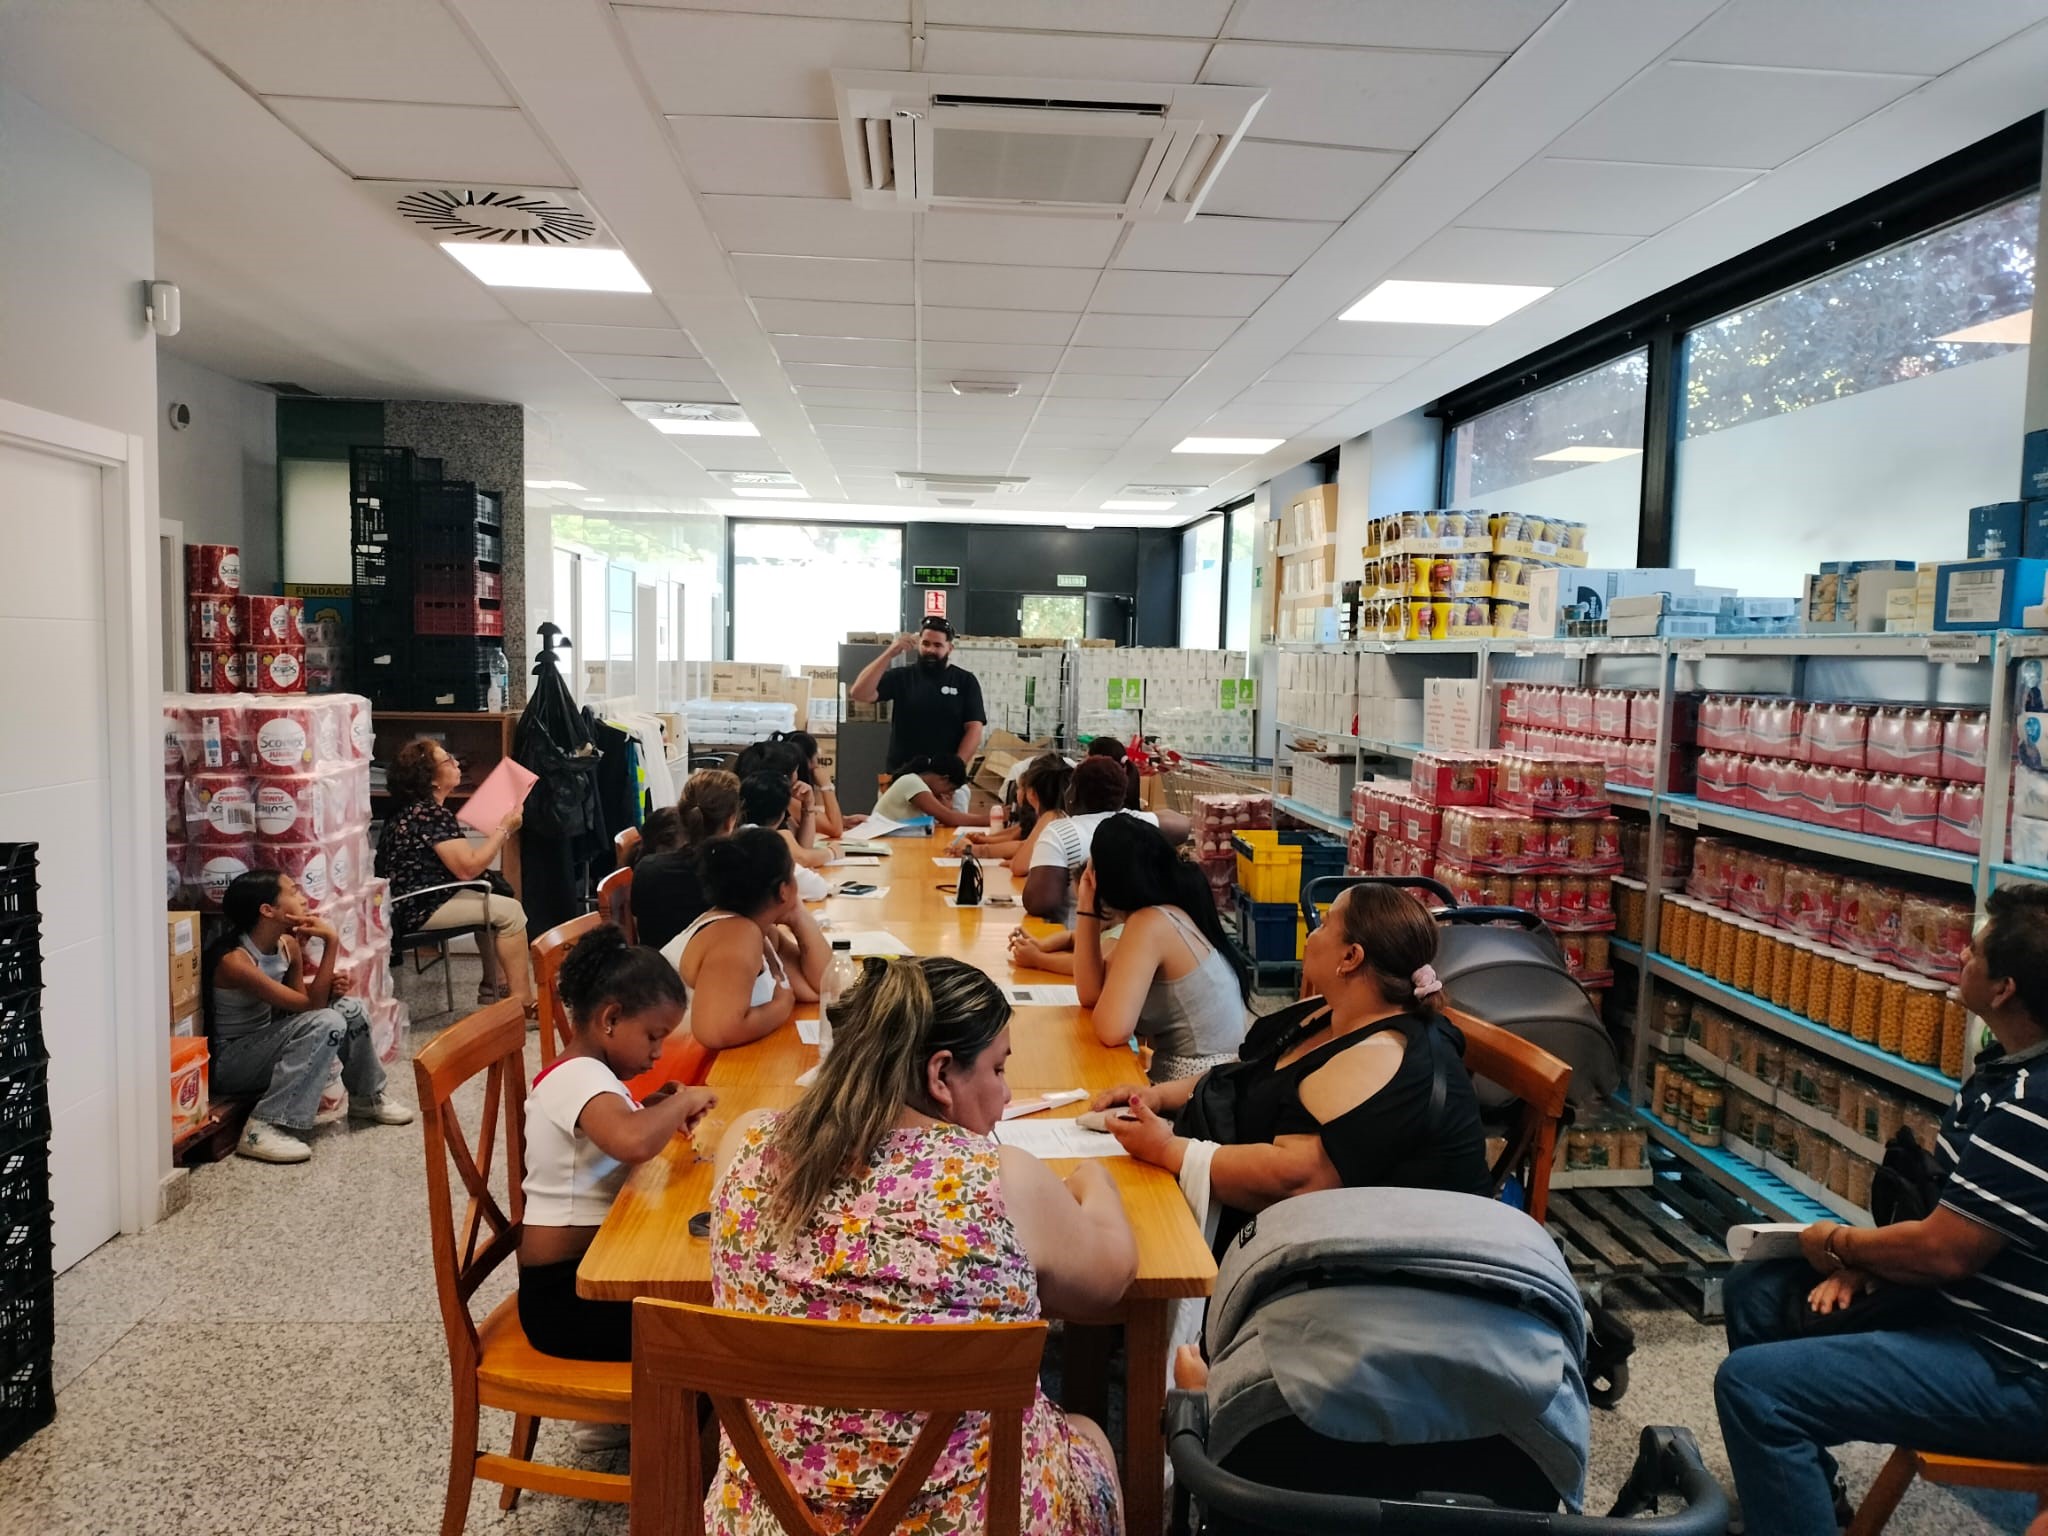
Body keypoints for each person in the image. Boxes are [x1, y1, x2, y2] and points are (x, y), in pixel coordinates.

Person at [706, 956, 1133, 1535]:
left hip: (770, 1519)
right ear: (940, 1075)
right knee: (1090, 1437)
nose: (1005, 1094)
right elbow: (1110, 1281)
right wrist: (1092, 1179)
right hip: (973, 1522)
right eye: (998, 1069)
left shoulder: (746, 1142)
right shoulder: (1000, 1180)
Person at [1714, 883, 2048, 1536]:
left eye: (1974, 953)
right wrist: (1874, 1264)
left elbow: (1946, 1251)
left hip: (2014, 1369)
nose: (1960, 959)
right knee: (1757, 1289)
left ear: (2004, 989)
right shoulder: (2003, 1069)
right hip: (1964, 1304)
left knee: (1754, 1389)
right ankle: (1805, 1496)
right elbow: (1961, 1224)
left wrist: (1844, 1245)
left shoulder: (2032, 1107)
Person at [1095, 882, 1490, 1252]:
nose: (1311, 932)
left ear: (1351, 958)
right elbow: (1246, 1071)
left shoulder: (1384, 1055)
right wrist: (1155, 1096)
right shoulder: (1328, 1014)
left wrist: (1168, 1150)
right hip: (1259, 1210)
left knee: (1115, 1232)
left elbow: (1292, 1181)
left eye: (1326, 923)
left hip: (1381, 1273)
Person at [519, 925, 718, 1365]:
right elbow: (630, 1141)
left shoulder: (589, 1074)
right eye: (653, 1036)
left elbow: (610, 1133)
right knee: (711, 1326)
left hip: (586, 1276)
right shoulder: (578, 1076)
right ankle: (637, 1425)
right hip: (567, 1299)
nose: (658, 1054)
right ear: (609, 1019)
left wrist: (652, 1106)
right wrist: (683, 1099)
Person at [204, 870, 413, 1164]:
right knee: (327, 1020)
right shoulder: (235, 961)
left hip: (265, 1043)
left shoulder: (287, 946)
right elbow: (311, 1010)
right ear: (267, 910)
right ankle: (263, 1127)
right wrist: (331, 943)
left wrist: (329, 992)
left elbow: (300, 1004)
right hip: (233, 1063)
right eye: (293, 892)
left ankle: (367, 1098)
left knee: (350, 1010)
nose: (303, 898)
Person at [1068, 815, 1246, 1082]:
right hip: (1203, 1083)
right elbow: (1092, 993)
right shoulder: (1163, 915)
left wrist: (1088, 902)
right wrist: (1086, 906)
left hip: (1200, 1093)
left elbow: (1111, 1029)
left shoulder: (1150, 923)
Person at [376, 737, 532, 1011]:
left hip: (407, 902)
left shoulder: (411, 812)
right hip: (417, 907)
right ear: (432, 779)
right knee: (511, 912)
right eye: (448, 760)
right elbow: (467, 867)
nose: (457, 763)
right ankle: (523, 1003)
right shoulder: (430, 815)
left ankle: (493, 986)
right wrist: (505, 828)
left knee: (493, 893)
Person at [662, 827, 828, 1052]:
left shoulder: (758, 929)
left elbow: (821, 987)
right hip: (674, 1066)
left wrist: (800, 918)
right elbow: (717, 1032)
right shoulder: (736, 936)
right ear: (783, 889)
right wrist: (780, 1006)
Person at [1023, 757, 1189, 920]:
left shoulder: (1058, 833)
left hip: (1076, 936)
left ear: (1073, 793)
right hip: (1133, 936)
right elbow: (1183, 825)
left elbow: (1040, 903)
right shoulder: (1137, 823)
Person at [847, 616, 986, 775]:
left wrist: (955, 768)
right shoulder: (902, 677)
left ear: (949, 648)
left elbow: (974, 728)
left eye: (938, 645)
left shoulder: (965, 681)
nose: (930, 650)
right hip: (901, 776)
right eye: (926, 643)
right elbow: (859, 693)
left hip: (944, 779)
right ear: (918, 643)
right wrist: (889, 653)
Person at [631, 770, 742, 954]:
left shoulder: (648, 869)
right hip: (716, 972)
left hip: (657, 973)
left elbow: (638, 928)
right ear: (730, 821)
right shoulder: (741, 876)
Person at [965, 752, 1071, 876]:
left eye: (1020, 787)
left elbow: (1019, 865)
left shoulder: (1052, 817)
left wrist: (977, 849)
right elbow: (1024, 844)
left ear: (1031, 793)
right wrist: (983, 843)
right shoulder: (1064, 815)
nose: (1016, 792)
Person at [872, 753, 987, 830]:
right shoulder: (912, 782)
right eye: (951, 790)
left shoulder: (919, 784)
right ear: (944, 778)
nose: (948, 794)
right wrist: (990, 819)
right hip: (882, 839)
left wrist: (946, 807)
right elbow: (949, 818)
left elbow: (943, 819)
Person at [776, 730, 843, 841]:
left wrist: (843, 820)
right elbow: (835, 829)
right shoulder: (788, 798)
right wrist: (826, 785)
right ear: (808, 762)